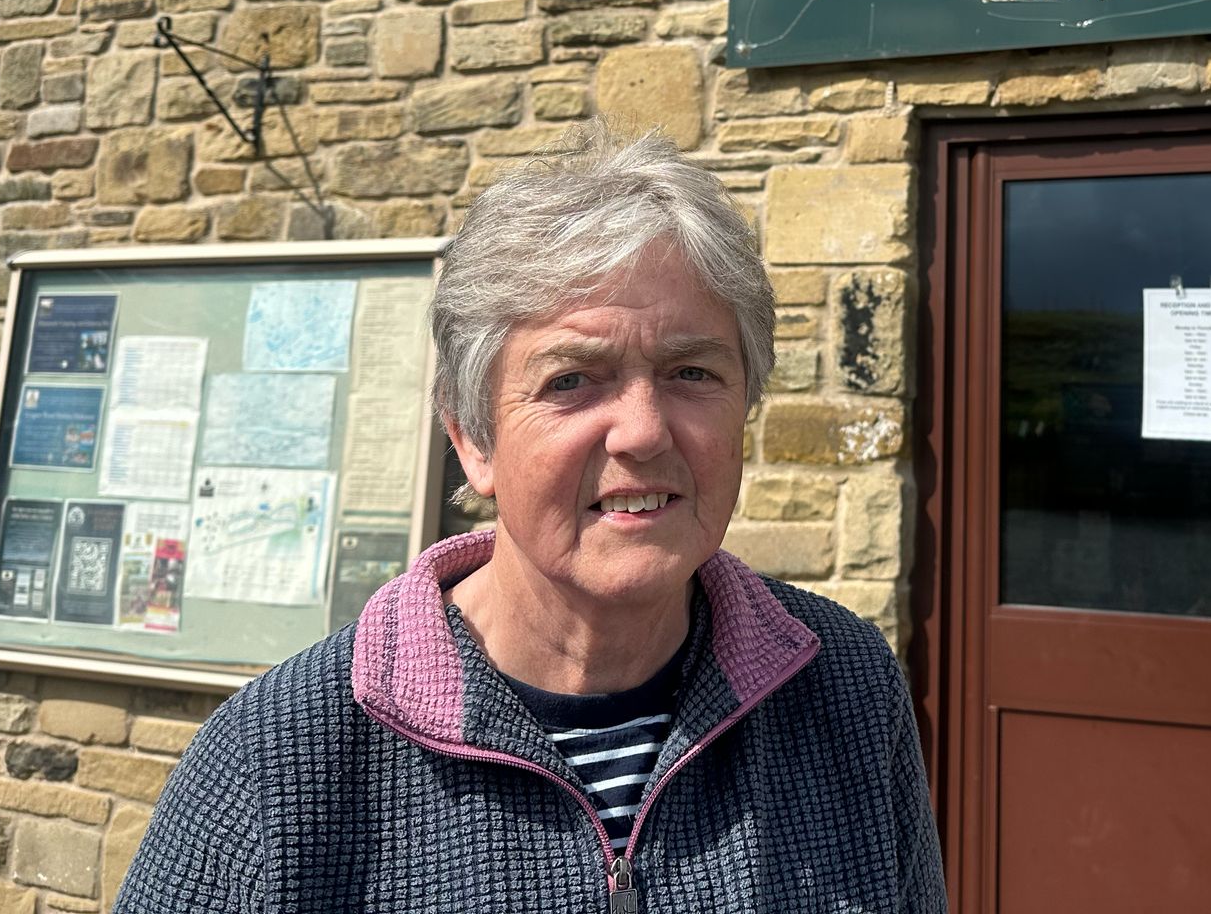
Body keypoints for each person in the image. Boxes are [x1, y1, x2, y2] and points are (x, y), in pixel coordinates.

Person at [117, 130, 948, 913]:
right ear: (472, 439)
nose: (644, 430)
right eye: (573, 380)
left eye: (691, 371)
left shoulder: (844, 686)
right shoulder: (279, 764)